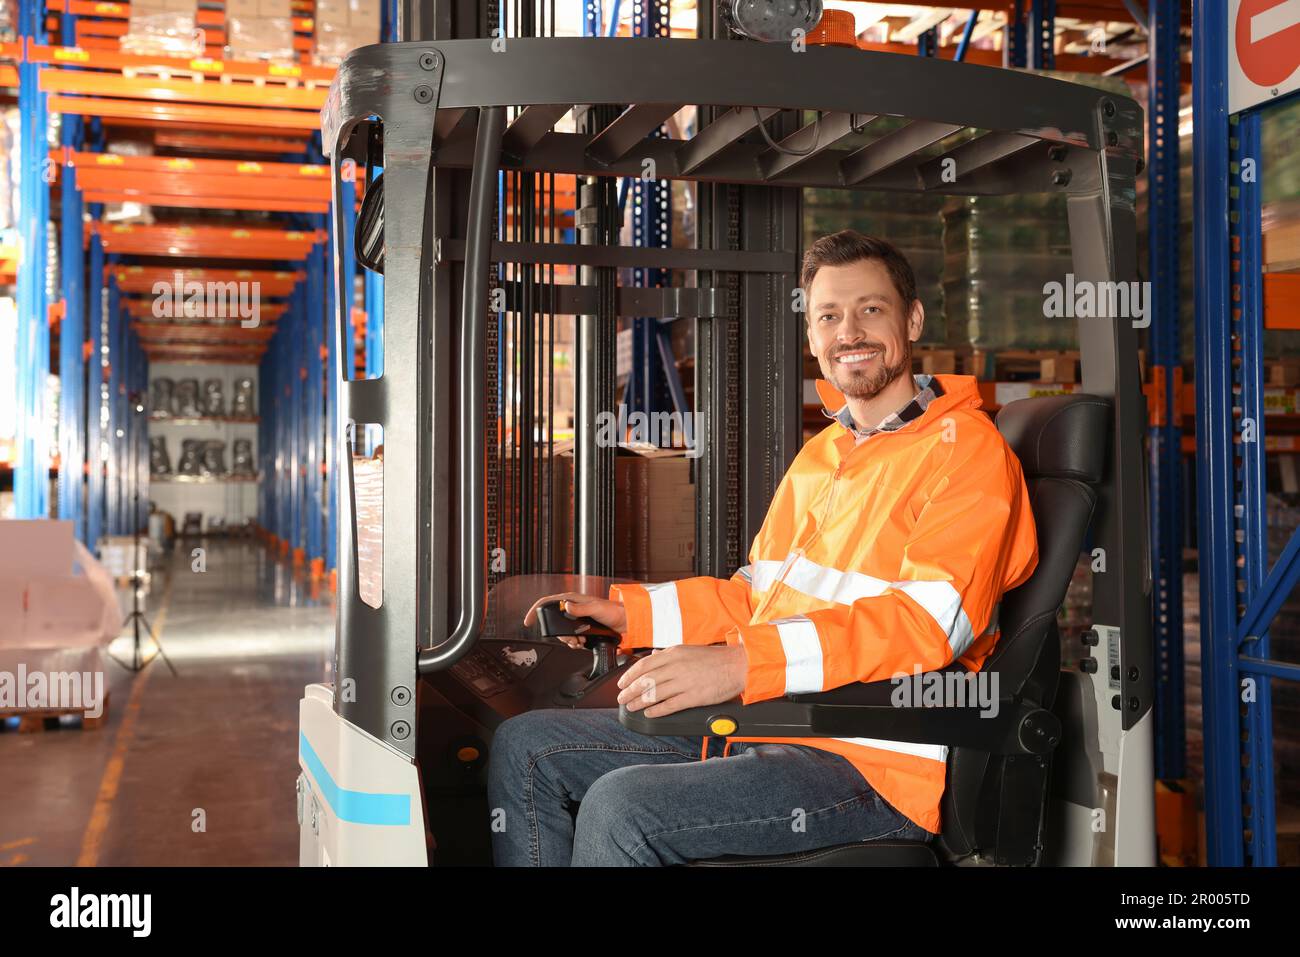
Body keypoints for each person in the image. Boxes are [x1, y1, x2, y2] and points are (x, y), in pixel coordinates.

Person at [487, 230, 1038, 866]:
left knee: (622, 809)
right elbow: (756, 596)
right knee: (526, 747)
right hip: (775, 719)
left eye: (871, 309)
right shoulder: (826, 453)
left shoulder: (965, 453)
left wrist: (741, 666)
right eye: (829, 315)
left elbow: (925, 628)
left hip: (869, 758)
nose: (848, 331)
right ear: (812, 337)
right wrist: (626, 612)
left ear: (911, 319)